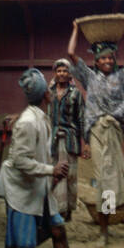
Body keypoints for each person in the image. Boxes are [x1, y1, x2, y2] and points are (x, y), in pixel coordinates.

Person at [66, 17, 124, 246]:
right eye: (103, 58)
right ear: (97, 61)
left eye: (111, 57)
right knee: (104, 179)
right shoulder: (89, 77)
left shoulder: (122, 76)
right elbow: (71, 54)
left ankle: (106, 228)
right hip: (97, 132)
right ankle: (104, 230)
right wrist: (75, 29)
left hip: (114, 131)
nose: (108, 61)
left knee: (109, 180)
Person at [0, 69, 75, 248]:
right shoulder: (28, 122)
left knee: (58, 231)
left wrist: (51, 174)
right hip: (22, 189)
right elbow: (20, 160)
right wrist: (52, 170)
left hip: (35, 186)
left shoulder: (37, 117)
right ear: (46, 95)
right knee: (21, 247)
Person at [48, 59, 86, 219]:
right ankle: (57, 209)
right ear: (55, 74)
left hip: (70, 140)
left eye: (65, 71)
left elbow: (82, 119)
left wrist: (86, 143)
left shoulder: (76, 94)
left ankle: (68, 210)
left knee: (69, 175)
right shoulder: (48, 93)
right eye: (59, 71)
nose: (62, 74)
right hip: (53, 140)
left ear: (70, 74)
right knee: (54, 173)